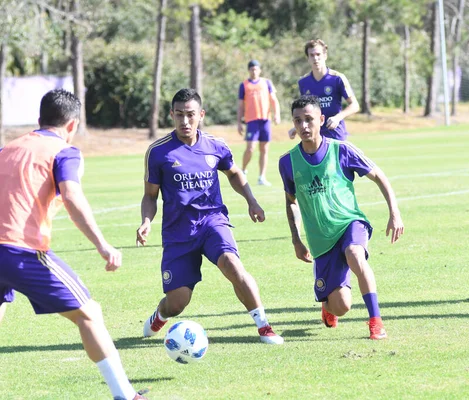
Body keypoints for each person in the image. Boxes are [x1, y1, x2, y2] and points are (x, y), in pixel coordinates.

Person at [0, 89, 146, 400]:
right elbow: (72, 196)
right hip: (20, 251)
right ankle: (125, 395)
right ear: (72, 125)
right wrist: (103, 245)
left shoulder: (7, 148)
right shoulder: (64, 151)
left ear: (39, 120)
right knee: (89, 313)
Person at [137, 88, 283, 345]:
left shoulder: (216, 145)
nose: (185, 121)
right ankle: (160, 315)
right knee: (177, 303)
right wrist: (146, 221)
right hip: (178, 231)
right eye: (179, 115)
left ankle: (264, 326)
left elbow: (234, 173)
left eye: (190, 115)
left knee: (232, 265)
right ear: (171, 115)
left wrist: (252, 200)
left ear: (201, 115)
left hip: (212, 221)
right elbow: (150, 196)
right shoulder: (159, 152)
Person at [279, 95, 403, 339]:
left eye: (309, 119)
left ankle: (376, 321)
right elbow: (291, 202)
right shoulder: (287, 162)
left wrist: (394, 212)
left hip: (350, 223)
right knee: (342, 307)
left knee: (355, 254)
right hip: (320, 241)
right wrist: (296, 239)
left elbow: (379, 176)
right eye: (297, 120)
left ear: (321, 120)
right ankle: (328, 306)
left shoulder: (342, 149)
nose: (303, 126)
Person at [288, 39, 360, 141]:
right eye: (312, 55)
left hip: (335, 134)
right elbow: (304, 111)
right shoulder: (303, 82)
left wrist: (337, 118)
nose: (315, 58)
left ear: (325, 56)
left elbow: (355, 105)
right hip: (314, 138)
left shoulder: (337, 78)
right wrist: (296, 128)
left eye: (318, 54)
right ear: (308, 58)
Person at [237, 59, 281, 186]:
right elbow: (240, 106)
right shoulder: (244, 85)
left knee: (264, 149)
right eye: (251, 69)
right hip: (251, 121)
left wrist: (276, 114)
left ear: (260, 70)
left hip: (265, 120)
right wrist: (239, 122)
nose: (254, 71)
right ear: (249, 70)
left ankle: (262, 177)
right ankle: (243, 171)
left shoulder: (266, 83)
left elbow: (274, 100)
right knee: (250, 148)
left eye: (256, 69)